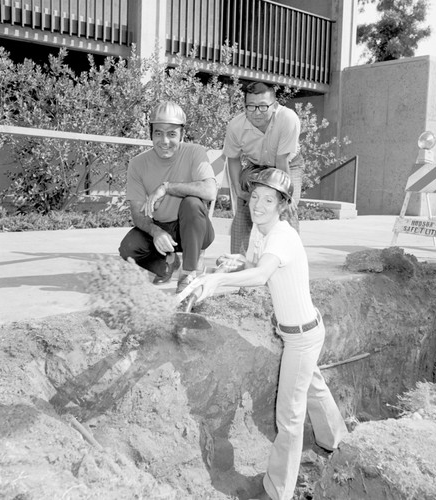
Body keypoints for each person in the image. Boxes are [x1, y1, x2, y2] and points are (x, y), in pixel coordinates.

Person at [181, 168, 348, 500]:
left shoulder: (282, 236)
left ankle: (277, 491)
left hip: (302, 335)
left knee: (289, 415)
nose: (257, 204)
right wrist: (235, 262)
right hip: (296, 332)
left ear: (282, 205)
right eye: (254, 197)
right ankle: (337, 441)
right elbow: (254, 264)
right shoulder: (261, 231)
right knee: (312, 385)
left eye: (268, 199)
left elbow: (261, 275)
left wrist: (214, 282)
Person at [118, 101, 217, 293]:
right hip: (164, 227)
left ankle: (188, 275)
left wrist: (167, 187)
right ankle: (166, 265)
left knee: (192, 203)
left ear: (182, 134)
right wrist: (156, 232)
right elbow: (138, 214)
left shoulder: (195, 152)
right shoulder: (138, 164)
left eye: (172, 134)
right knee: (128, 248)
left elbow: (210, 191)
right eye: (158, 133)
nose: (164, 141)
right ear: (151, 134)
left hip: (196, 228)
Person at [223, 82, 304, 254]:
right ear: (244, 106)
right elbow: (233, 159)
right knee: (246, 207)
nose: (256, 112)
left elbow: (282, 161)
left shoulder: (288, 119)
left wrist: (286, 197)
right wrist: (237, 189)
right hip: (257, 167)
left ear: (274, 106)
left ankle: (291, 257)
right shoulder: (235, 126)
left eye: (262, 106)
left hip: (288, 164)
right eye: (251, 106)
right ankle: (237, 261)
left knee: (285, 208)